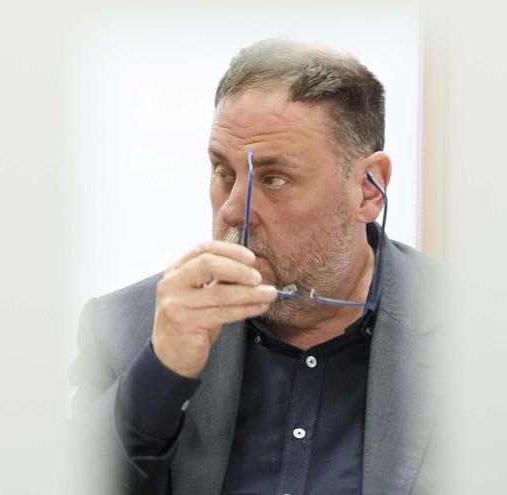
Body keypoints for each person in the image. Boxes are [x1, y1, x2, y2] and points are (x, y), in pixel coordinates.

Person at [70, 38, 440, 495]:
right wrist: (161, 372)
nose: (232, 210)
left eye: (274, 179)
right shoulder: (126, 331)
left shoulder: (484, 335)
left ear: (368, 189)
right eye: (223, 173)